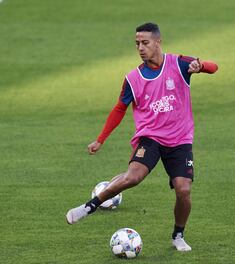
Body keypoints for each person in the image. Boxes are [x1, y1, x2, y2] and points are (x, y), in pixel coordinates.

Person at [66, 22, 218, 252]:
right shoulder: (133, 78)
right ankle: (89, 207)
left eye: (145, 43)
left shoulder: (179, 63)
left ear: (158, 42)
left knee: (183, 190)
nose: (140, 48)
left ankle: (178, 235)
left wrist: (201, 65)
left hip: (180, 140)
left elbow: (214, 67)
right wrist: (101, 139)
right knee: (134, 177)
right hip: (151, 138)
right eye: (137, 43)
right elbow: (119, 109)